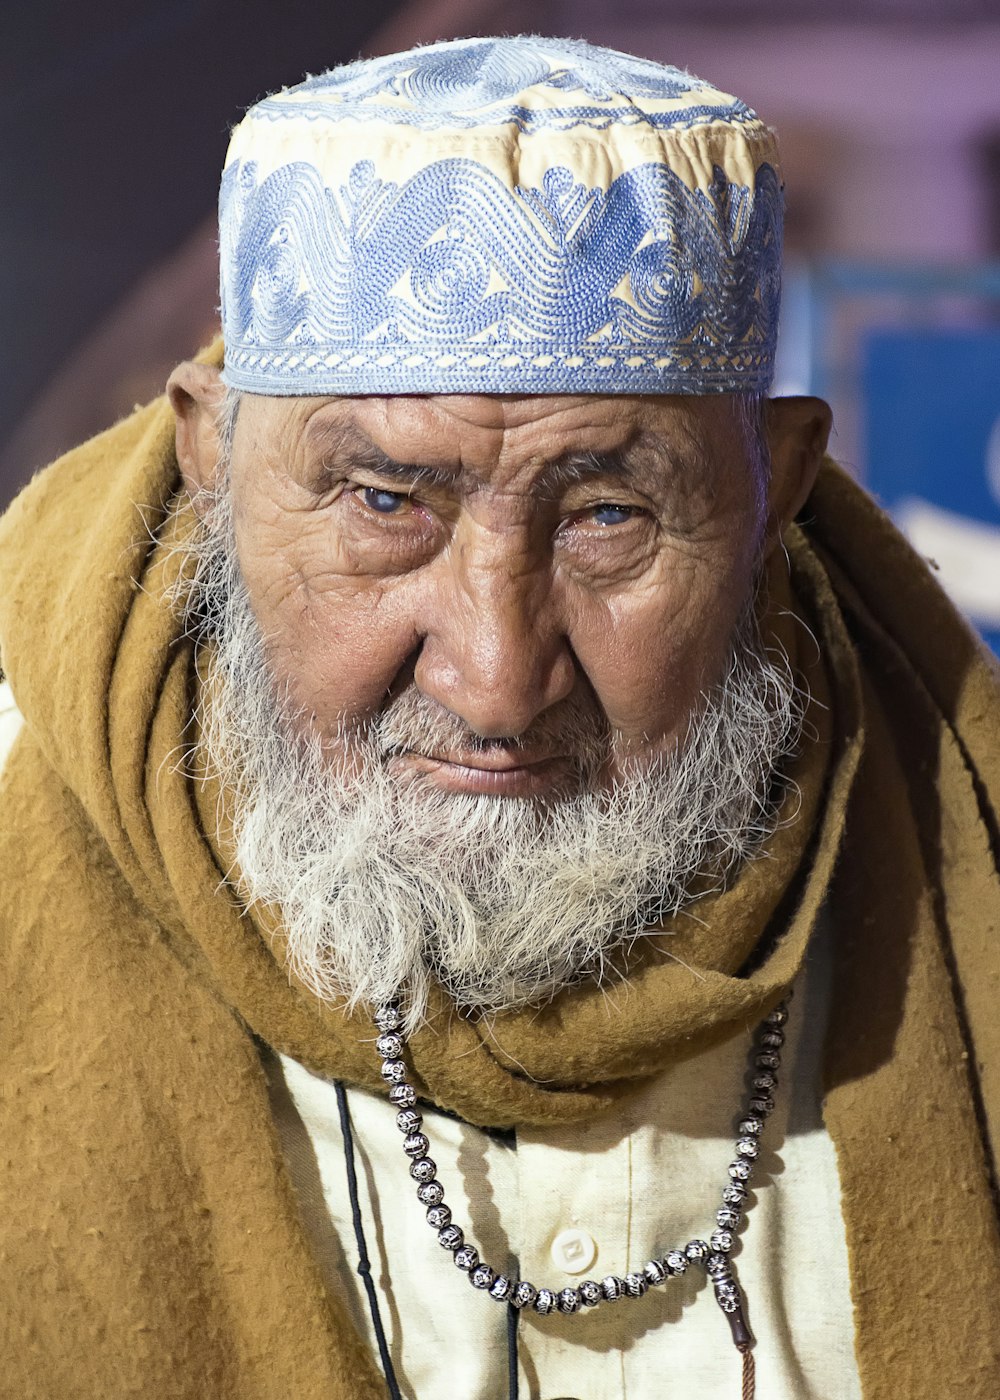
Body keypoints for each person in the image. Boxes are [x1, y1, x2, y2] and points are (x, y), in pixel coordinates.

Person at [0, 35, 997, 1400]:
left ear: (776, 487)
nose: (494, 678)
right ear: (213, 457)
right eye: (384, 504)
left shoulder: (967, 846)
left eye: (607, 515)